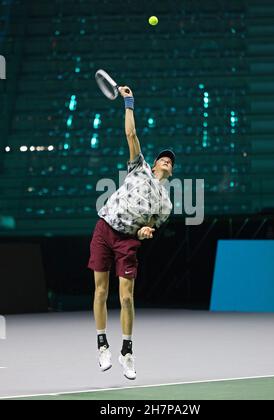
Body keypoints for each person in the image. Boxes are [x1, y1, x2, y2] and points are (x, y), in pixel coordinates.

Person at [87, 85, 175, 380]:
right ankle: (102, 344)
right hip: (104, 228)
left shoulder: (166, 204)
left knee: (126, 298)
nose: (167, 160)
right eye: (163, 157)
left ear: (171, 172)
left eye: (171, 161)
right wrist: (128, 102)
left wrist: (146, 232)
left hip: (127, 241)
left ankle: (127, 351)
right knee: (101, 290)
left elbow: (148, 229)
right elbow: (131, 135)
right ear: (152, 163)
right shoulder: (139, 168)